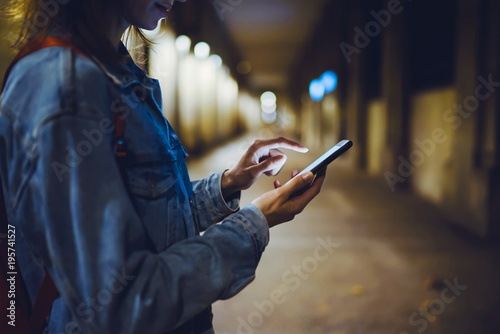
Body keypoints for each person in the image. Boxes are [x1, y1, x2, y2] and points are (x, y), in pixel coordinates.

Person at [0, 0, 326, 333]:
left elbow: (146, 220)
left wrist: (228, 183)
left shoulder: (114, 72)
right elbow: (123, 303)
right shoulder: (65, 88)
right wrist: (255, 222)